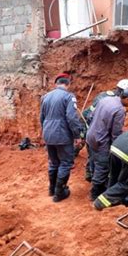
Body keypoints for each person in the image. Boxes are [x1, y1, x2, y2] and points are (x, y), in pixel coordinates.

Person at [86, 88, 128, 200]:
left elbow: (91, 116)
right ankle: (95, 193)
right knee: (103, 166)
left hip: (90, 135)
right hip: (101, 141)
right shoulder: (119, 110)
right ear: (127, 98)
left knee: (93, 160)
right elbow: (115, 133)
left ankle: (92, 178)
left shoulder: (106, 99)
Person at [83, 79, 128, 182]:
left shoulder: (105, 97)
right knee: (102, 163)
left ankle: (90, 175)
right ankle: (96, 187)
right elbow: (115, 133)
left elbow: (90, 115)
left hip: (91, 132)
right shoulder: (118, 107)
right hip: (99, 137)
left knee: (92, 156)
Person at [40, 74, 82, 202]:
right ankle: (59, 193)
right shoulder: (69, 97)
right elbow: (71, 117)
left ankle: (52, 189)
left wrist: (45, 131)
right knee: (65, 163)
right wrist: (77, 134)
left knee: (53, 162)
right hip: (62, 134)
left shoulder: (45, 97)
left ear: (56, 84)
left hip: (48, 133)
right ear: (68, 84)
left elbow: (41, 117)